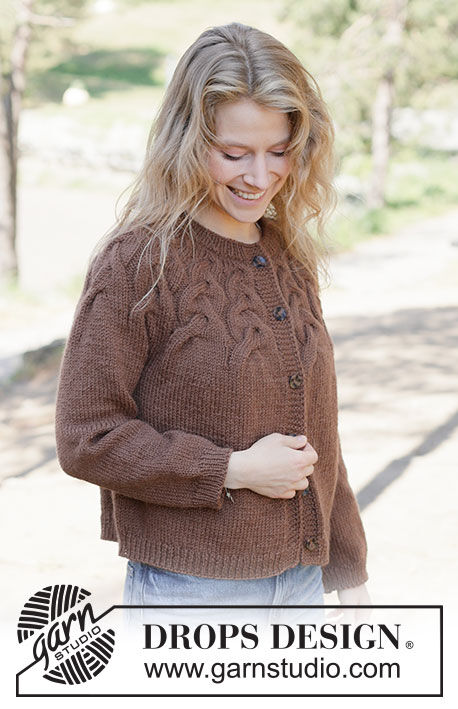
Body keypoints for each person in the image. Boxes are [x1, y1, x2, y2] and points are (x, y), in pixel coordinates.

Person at [55, 22, 370, 628]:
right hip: (191, 593)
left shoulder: (286, 257)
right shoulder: (138, 263)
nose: (261, 176)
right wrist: (232, 469)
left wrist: (349, 571)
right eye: (234, 154)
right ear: (187, 141)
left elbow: (318, 437)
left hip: (301, 586)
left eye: (279, 150)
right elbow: (86, 436)